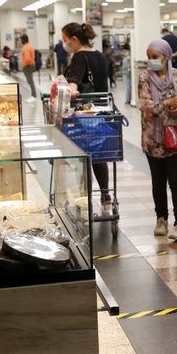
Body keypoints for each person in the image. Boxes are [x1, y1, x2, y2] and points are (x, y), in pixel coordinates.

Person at [138, 39, 177, 241]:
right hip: (152, 139)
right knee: (157, 181)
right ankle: (161, 219)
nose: (152, 61)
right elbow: (145, 104)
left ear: (166, 56)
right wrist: (166, 103)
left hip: (174, 137)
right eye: (149, 57)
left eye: (155, 56)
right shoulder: (144, 77)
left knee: (176, 180)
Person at [61, 22, 113, 213]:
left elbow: (74, 80)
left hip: (85, 113)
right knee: (99, 156)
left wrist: (71, 89)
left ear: (74, 39)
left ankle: (85, 198)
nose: (65, 43)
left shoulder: (79, 57)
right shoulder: (99, 55)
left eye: (66, 39)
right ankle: (106, 194)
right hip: (102, 112)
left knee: (84, 157)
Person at [19, 34, 37, 102]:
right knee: (30, 81)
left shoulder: (26, 48)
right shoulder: (29, 46)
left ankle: (34, 96)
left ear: (23, 40)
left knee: (30, 81)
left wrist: (23, 65)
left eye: (21, 40)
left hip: (28, 66)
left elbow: (27, 59)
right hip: (31, 65)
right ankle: (33, 94)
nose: (20, 41)